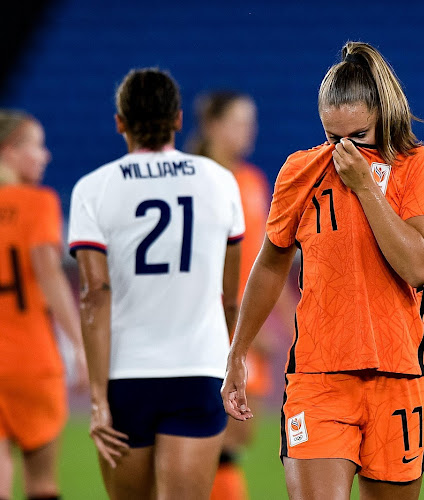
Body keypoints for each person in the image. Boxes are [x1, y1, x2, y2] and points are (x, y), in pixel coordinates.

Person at [222, 41, 424, 500]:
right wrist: (238, 351)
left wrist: (366, 188)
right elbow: (269, 264)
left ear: (383, 115)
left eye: (359, 137)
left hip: (399, 378)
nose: (345, 152)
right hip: (319, 378)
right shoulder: (300, 172)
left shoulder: (419, 168)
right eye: (333, 138)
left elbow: (419, 266)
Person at [68, 68, 244, 499]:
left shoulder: (92, 189)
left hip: (127, 375)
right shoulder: (220, 181)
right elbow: (230, 296)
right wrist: (235, 360)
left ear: (120, 122)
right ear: (179, 119)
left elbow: (95, 297)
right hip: (199, 368)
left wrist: (96, 400)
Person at [188, 91, 296, 500]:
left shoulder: (251, 181)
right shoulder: (198, 181)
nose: (248, 130)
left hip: (245, 324)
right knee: (220, 440)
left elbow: (267, 260)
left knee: (237, 437)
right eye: (238, 121)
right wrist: (240, 331)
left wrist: (293, 322)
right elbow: (201, 266)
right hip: (213, 326)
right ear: (213, 125)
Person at [0, 110, 87, 500]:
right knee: (42, 485)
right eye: (36, 145)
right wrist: (80, 345)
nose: (45, 155)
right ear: (10, 152)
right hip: (31, 361)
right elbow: (49, 275)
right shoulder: (37, 203)